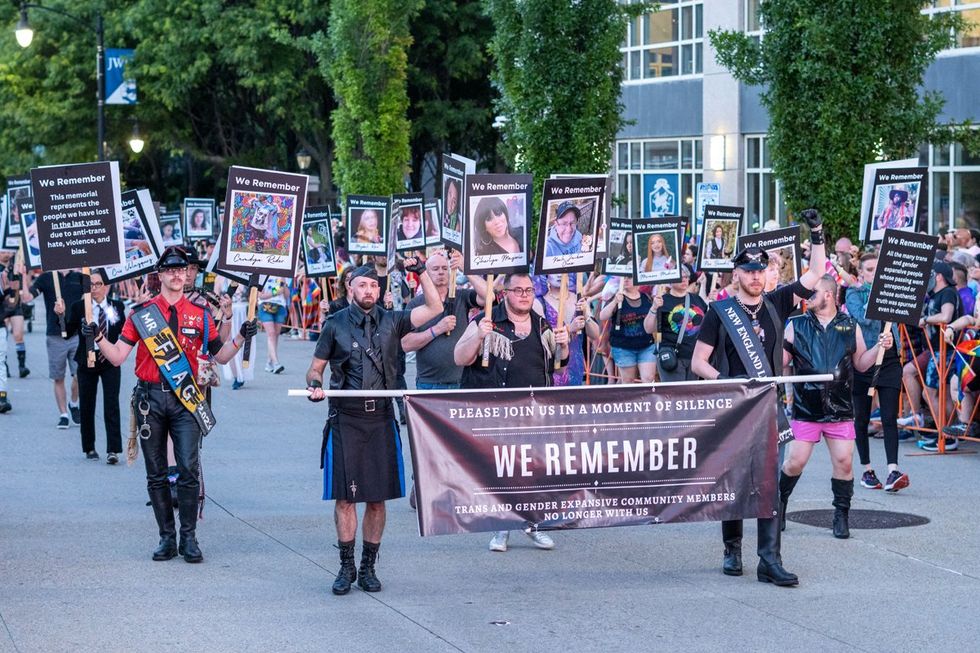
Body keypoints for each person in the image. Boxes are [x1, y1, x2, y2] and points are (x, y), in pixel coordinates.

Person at [691, 207, 827, 588]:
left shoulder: (777, 301)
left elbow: (816, 274)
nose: (754, 277)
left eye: (760, 271)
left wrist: (816, 232)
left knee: (768, 481)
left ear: (767, 273)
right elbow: (700, 362)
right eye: (748, 271)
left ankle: (770, 559)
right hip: (734, 407)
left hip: (768, 406)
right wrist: (732, 382)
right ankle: (732, 548)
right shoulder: (719, 312)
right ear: (736, 274)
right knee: (733, 480)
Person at [97, 246, 255, 563]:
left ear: (186, 273)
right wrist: (97, 337)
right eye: (170, 270)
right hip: (149, 399)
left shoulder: (201, 315)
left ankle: (189, 538)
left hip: (186, 399)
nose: (176, 274)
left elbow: (219, 356)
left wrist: (239, 337)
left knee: (188, 469)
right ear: (160, 274)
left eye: (181, 269)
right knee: (156, 474)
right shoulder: (142, 315)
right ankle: (166, 539)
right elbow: (116, 357)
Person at [306, 261, 443, 594]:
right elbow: (315, 368)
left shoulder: (393, 321)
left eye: (373, 286)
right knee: (345, 500)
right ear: (351, 288)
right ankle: (345, 567)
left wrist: (421, 270)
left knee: (378, 500)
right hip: (346, 418)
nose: (368, 291)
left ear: (379, 291)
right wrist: (314, 385)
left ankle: (368, 567)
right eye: (362, 285)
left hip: (380, 418)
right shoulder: (334, 325)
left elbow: (435, 306)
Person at [454, 273, 570, 552]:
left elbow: (559, 368)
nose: (524, 295)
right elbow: (459, 357)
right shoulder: (486, 321)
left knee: (529, 472)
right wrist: (479, 336)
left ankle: (531, 524)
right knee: (502, 470)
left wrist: (564, 345)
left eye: (529, 290)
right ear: (505, 293)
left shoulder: (543, 325)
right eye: (518, 290)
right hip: (495, 412)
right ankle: (501, 528)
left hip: (532, 413)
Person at [779, 274, 894, 539]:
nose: (808, 297)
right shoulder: (796, 325)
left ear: (829, 295)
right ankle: (779, 503)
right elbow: (782, 361)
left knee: (844, 463)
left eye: (813, 293)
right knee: (795, 462)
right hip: (807, 408)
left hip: (840, 408)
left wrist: (880, 345)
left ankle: (841, 515)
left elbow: (862, 364)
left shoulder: (849, 325)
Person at [846, 253, 908, 493]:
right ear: (861, 273)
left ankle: (893, 469)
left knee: (889, 417)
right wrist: (879, 296)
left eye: (877, 269)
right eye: (870, 270)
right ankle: (867, 469)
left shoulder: (891, 292)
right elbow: (862, 318)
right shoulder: (854, 293)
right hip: (865, 359)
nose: (875, 273)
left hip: (891, 360)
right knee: (861, 417)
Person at [57, 269, 126, 463]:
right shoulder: (80, 307)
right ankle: (89, 447)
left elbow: (125, 331)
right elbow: (67, 333)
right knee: (87, 404)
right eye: (90, 285)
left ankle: (113, 449)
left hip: (110, 359)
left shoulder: (117, 306)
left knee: (111, 404)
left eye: (97, 284)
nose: (94, 289)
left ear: (107, 286)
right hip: (87, 359)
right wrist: (61, 317)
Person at [898, 262, 961, 450]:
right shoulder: (934, 295)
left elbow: (946, 316)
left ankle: (948, 435)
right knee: (913, 375)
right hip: (934, 349)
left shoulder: (948, 293)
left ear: (939, 276)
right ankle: (926, 420)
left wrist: (925, 320)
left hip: (945, 350)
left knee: (933, 393)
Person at [23, 269, 84, 428]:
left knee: (79, 374)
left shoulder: (79, 276)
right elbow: (27, 297)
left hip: (76, 333)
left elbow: (97, 293)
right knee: (58, 377)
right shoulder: (46, 277)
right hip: (55, 335)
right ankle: (63, 414)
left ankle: (74, 403)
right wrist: (23, 275)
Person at [647, 264, 707, 381]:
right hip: (672, 356)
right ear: (670, 280)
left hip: (694, 357)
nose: (684, 280)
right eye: (680, 277)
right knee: (674, 396)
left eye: (686, 277)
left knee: (692, 396)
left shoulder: (697, 299)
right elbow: (649, 329)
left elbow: (706, 324)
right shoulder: (662, 301)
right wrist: (654, 308)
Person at [598, 277, 656, 384]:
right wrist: (615, 301)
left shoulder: (646, 297)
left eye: (629, 277)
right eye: (623, 277)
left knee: (648, 379)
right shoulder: (617, 297)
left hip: (646, 345)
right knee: (628, 381)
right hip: (623, 347)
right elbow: (602, 316)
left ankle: (646, 401)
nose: (626, 280)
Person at [258, 276, 289, 374]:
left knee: (275, 335)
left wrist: (284, 284)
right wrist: (275, 292)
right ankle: (276, 363)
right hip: (265, 306)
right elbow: (260, 295)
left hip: (280, 306)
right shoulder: (262, 275)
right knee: (271, 334)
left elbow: (287, 295)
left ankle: (269, 362)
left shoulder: (282, 275)